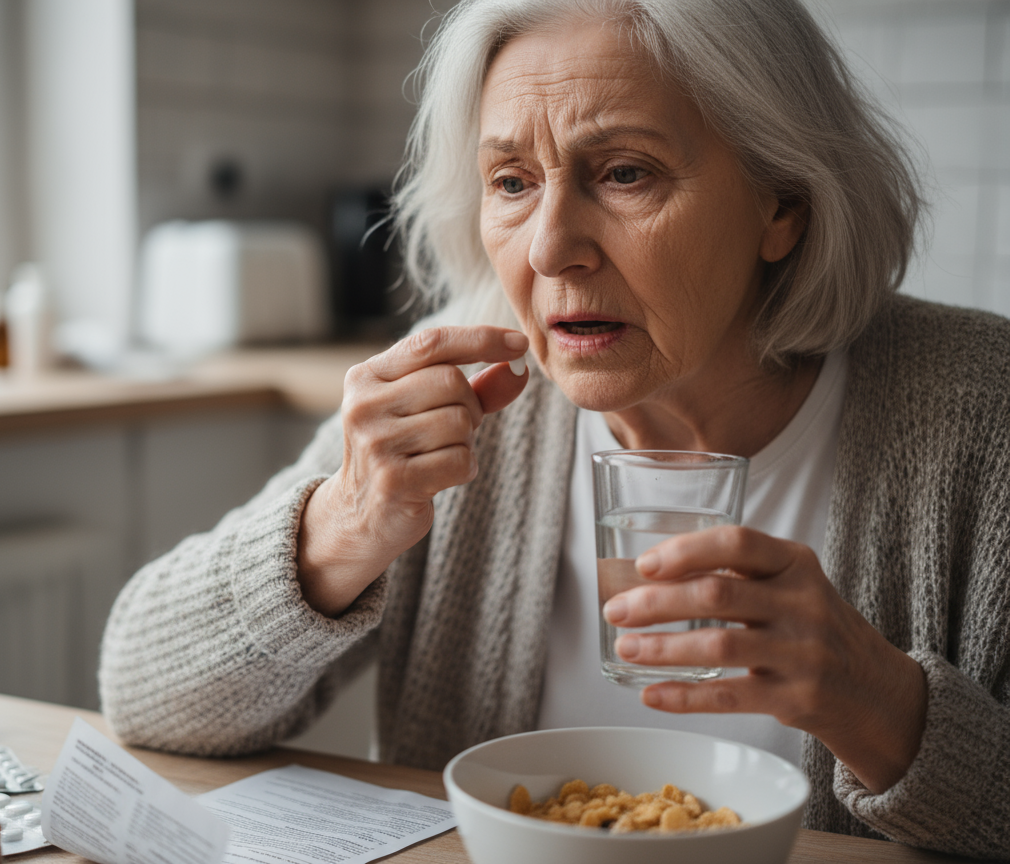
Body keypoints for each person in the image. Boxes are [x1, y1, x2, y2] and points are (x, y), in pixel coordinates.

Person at [99, 0, 1010, 857]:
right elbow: (143, 695)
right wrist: (338, 524)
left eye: (624, 173)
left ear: (782, 202)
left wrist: (889, 708)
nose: (547, 248)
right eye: (511, 182)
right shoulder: (460, 402)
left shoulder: (980, 408)